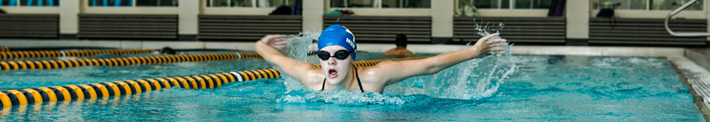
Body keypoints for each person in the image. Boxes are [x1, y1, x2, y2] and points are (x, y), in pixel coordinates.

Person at [255, 24, 506, 93]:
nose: (331, 61)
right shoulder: (312, 78)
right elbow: (277, 59)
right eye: (324, 55)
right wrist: (260, 44)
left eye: (340, 54)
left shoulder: (375, 76)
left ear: (352, 57)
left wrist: (474, 52)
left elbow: (430, 65)